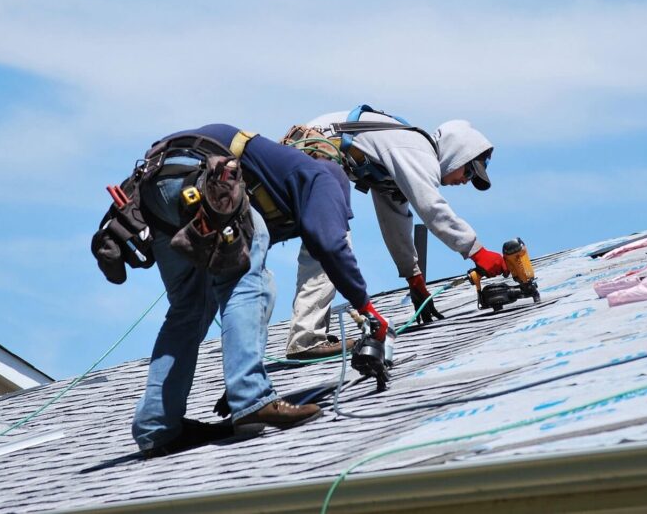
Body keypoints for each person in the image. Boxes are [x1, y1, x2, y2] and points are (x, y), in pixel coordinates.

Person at [127, 124, 389, 457]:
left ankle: (157, 426)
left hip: (153, 186)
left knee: (190, 308)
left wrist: (240, 368)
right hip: (196, 176)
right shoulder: (325, 175)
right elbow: (329, 243)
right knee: (250, 281)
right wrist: (367, 308)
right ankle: (251, 397)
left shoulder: (271, 180)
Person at [283, 108, 506, 360]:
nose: (465, 181)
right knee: (333, 244)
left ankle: (309, 335)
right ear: (456, 155)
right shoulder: (417, 151)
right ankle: (306, 340)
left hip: (310, 158)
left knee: (327, 245)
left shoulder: (403, 160)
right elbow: (432, 208)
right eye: (468, 171)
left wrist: (414, 277)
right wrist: (477, 251)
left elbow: (394, 221)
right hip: (312, 155)